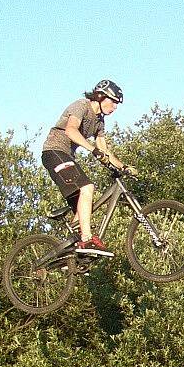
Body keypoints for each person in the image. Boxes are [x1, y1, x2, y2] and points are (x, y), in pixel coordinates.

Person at [42, 79, 136, 257]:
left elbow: (104, 150)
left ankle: (70, 255)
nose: (115, 107)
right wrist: (93, 150)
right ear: (101, 96)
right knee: (87, 187)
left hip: (66, 156)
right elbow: (71, 130)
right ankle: (86, 239)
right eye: (113, 102)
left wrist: (123, 167)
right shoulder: (82, 106)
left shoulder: (99, 122)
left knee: (84, 208)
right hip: (54, 152)